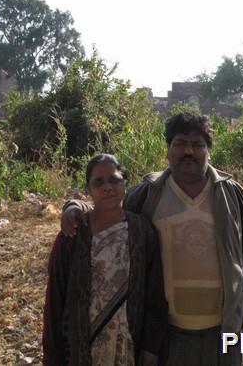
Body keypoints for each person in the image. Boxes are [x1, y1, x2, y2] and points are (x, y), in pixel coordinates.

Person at [61, 113, 243, 366]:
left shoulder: (233, 196)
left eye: (198, 144)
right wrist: (74, 206)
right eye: (180, 143)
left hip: (224, 331)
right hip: (168, 336)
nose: (189, 151)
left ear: (209, 151)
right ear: (168, 150)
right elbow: (109, 210)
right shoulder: (147, 195)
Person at [43, 154, 167, 366]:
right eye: (98, 182)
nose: (107, 187)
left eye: (114, 179)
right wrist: (53, 356)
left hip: (128, 346)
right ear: (89, 189)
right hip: (80, 349)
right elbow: (56, 298)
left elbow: (154, 295)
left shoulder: (142, 231)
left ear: (125, 182)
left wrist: (150, 348)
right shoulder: (72, 235)